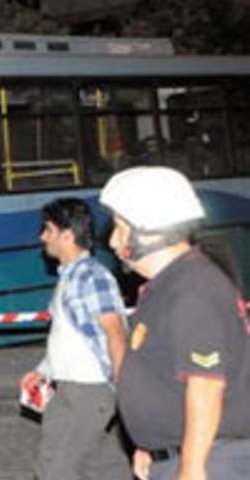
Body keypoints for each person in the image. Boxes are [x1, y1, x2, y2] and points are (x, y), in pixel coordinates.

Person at [99, 166, 250, 480]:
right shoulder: (169, 283)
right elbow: (162, 372)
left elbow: (206, 386)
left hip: (212, 462)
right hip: (183, 456)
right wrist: (153, 445)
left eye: (119, 227)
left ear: (146, 230)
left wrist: (191, 468)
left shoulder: (194, 289)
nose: (113, 241)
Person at [20, 197, 131, 479]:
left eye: (48, 230)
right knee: (102, 467)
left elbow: (114, 332)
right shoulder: (70, 277)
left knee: (55, 467)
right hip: (75, 388)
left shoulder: (92, 277)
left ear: (67, 235)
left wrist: (127, 389)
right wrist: (42, 370)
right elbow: (69, 336)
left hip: (87, 390)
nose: (42, 237)